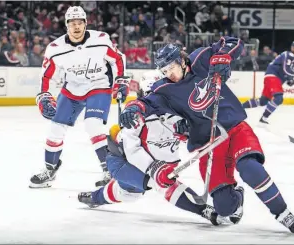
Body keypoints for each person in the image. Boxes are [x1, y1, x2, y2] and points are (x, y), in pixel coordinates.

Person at [119, 39, 294, 234]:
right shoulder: (163, 89)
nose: (170, 74)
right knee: (225, 208)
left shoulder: (201, 58)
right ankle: (237, 197)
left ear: (182, 61)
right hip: (207, 145)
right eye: (165, 71)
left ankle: (283, 213)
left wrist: (223, 58)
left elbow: (234, 43)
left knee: (250, 168)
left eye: (172, 68)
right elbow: (145, 103)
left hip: (233, 128)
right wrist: (132, 109)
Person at [78, 70, 225, 226]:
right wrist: (154, 169)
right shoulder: (135, 117)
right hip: (123, 164)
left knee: (127, 193)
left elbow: (184, 140)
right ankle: (203, 210)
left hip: (152, 167)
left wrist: (189, 132)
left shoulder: (177, 113)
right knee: (161, 183)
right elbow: (132, 151)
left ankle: (94, 198)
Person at [29, 6, 128, 188]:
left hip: (99, 85)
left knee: (93, 124)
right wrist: (43, 96)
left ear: (85, 24)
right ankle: (50, 169)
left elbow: (118, 59)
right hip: (73, 88)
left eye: (80, 23)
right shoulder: (55, 49)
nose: (76, 27)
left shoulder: (101, 40)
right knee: (55, 128)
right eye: (72, 23)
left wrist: (121, 80)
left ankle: (110, 170)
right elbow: (47, 76)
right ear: (67, 25)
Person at [242, 41, 294, 124]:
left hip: (271, 78)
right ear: (292, 48)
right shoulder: (289, 55)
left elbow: (286, 73)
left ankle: (240, 106)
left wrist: (290, 80)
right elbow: (286, 70)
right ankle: (264, 117)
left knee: (263, 101)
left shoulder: (291, 58)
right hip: (273, 77)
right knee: (279, 98)